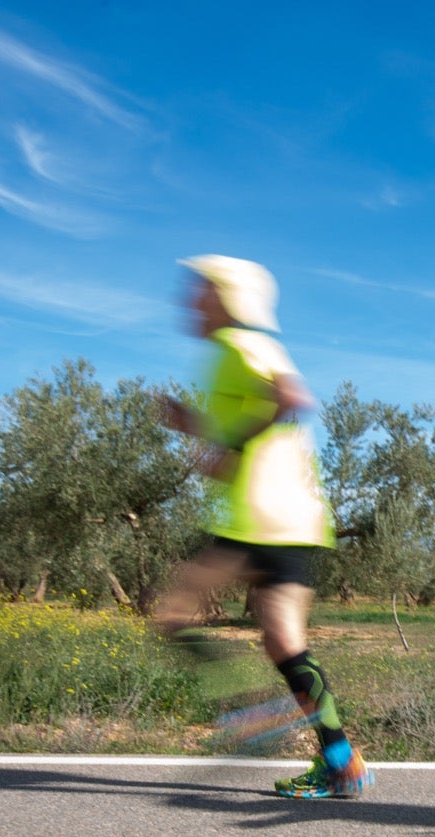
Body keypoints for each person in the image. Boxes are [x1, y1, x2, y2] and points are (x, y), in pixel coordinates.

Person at [153, 254, 371, 799]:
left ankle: (250, 710)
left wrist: (227, 445)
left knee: (170, 615)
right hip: (294, 518)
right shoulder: (238, 352)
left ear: (225, 297)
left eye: (199, 288)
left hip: (259, 516)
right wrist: (194, 424)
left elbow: (291, 397)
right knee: (284, 643)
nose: (188, 298)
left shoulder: (237, 345)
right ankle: (342, 764)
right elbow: (261, 410)